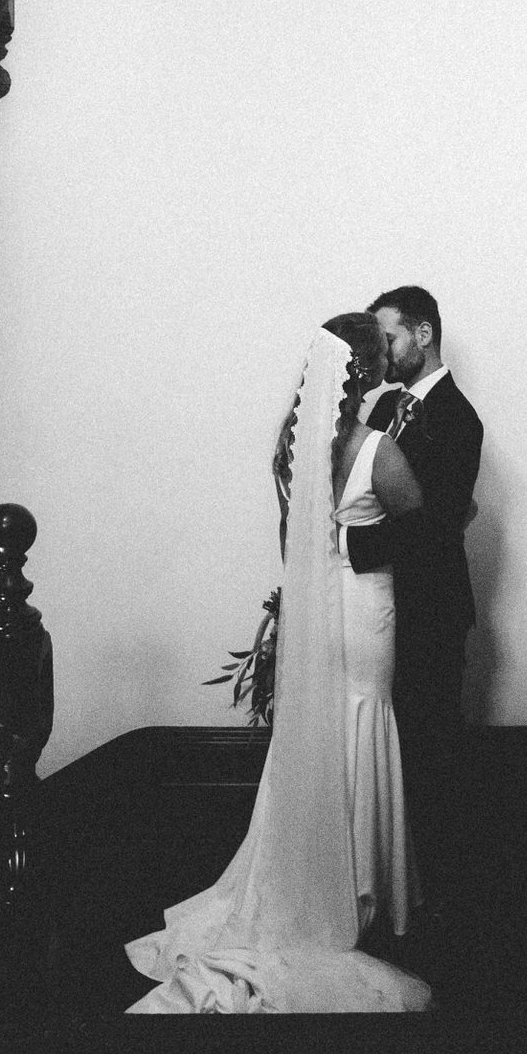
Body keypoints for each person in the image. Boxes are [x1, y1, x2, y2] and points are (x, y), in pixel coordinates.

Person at [124, 313, 432, 1013]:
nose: (389, 352)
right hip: (364, 609)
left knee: (326, 729)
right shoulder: (378, 450)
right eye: (378, 348)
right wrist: (364, 547)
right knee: (367, 718)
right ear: (358, 369)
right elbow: (422, 537)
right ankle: (367, 888)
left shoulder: (291, 448)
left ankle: (314, 871)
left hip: (314, 613)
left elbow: (297, 541)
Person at [342, 286, 483, 914]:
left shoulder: (459, 419)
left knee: (429, 749)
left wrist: (352, 546)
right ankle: (383, 869)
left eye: (390, 336)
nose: (382, 350)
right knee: (385, 746)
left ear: (423, 336)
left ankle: (433, 895)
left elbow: (440, 522)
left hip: (432, 609)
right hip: (379, 610)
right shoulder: (384, 408)